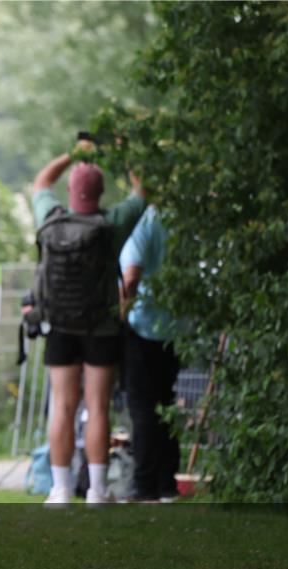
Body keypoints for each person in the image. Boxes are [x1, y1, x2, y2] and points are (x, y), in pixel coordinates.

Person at [25, 140, 145, 504]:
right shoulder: (112, 224)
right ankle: (98, 489)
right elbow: (143, 190)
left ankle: (60, 489)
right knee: (97, 406)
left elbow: (41, 181)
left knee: (62, 406)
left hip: (59, 324)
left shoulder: (49, 217)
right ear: (100, 191)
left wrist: (73, 154)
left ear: (71, 190)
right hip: (101, 327)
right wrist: (124, 153)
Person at [119, 204, 180, 502]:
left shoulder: (147, 221)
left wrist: (122, 314)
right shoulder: (179, 219)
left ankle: (143, 484)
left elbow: (131, 276)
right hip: (175, 326)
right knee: (166, 403)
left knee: (142, 408)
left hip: (143, 326)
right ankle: (167, 482)